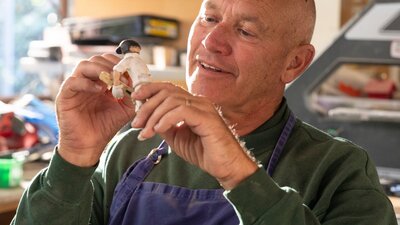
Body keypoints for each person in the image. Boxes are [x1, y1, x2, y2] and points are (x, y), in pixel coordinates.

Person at [12, 0, 397, 224]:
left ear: (294, 63)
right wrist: (73, 157)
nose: (211, 42)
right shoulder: (128, 151)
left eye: (245, 31)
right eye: (209, 19)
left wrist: (239, 175)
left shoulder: (337, 169)